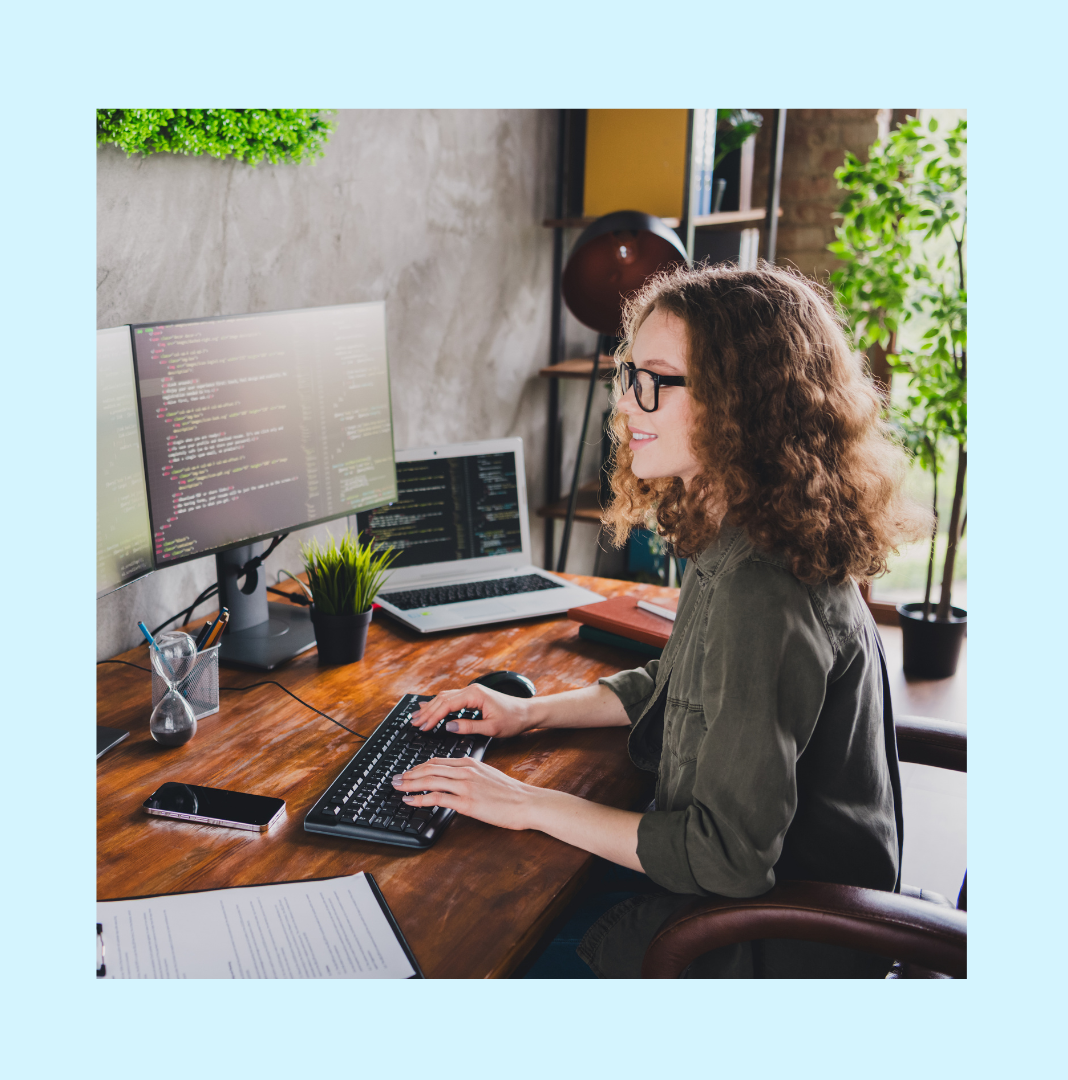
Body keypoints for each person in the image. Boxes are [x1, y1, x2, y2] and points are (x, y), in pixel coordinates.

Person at [393, 263, 929, 978]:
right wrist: (530, 715)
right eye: (626, 375)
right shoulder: (747, 529)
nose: (625, 405)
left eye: (654, 380)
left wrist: (528, 801)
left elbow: (726, 860)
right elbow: (681, 679)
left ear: (743, 402)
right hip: (756, 905)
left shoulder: (760, 587)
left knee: (464, 944)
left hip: (770, 944)